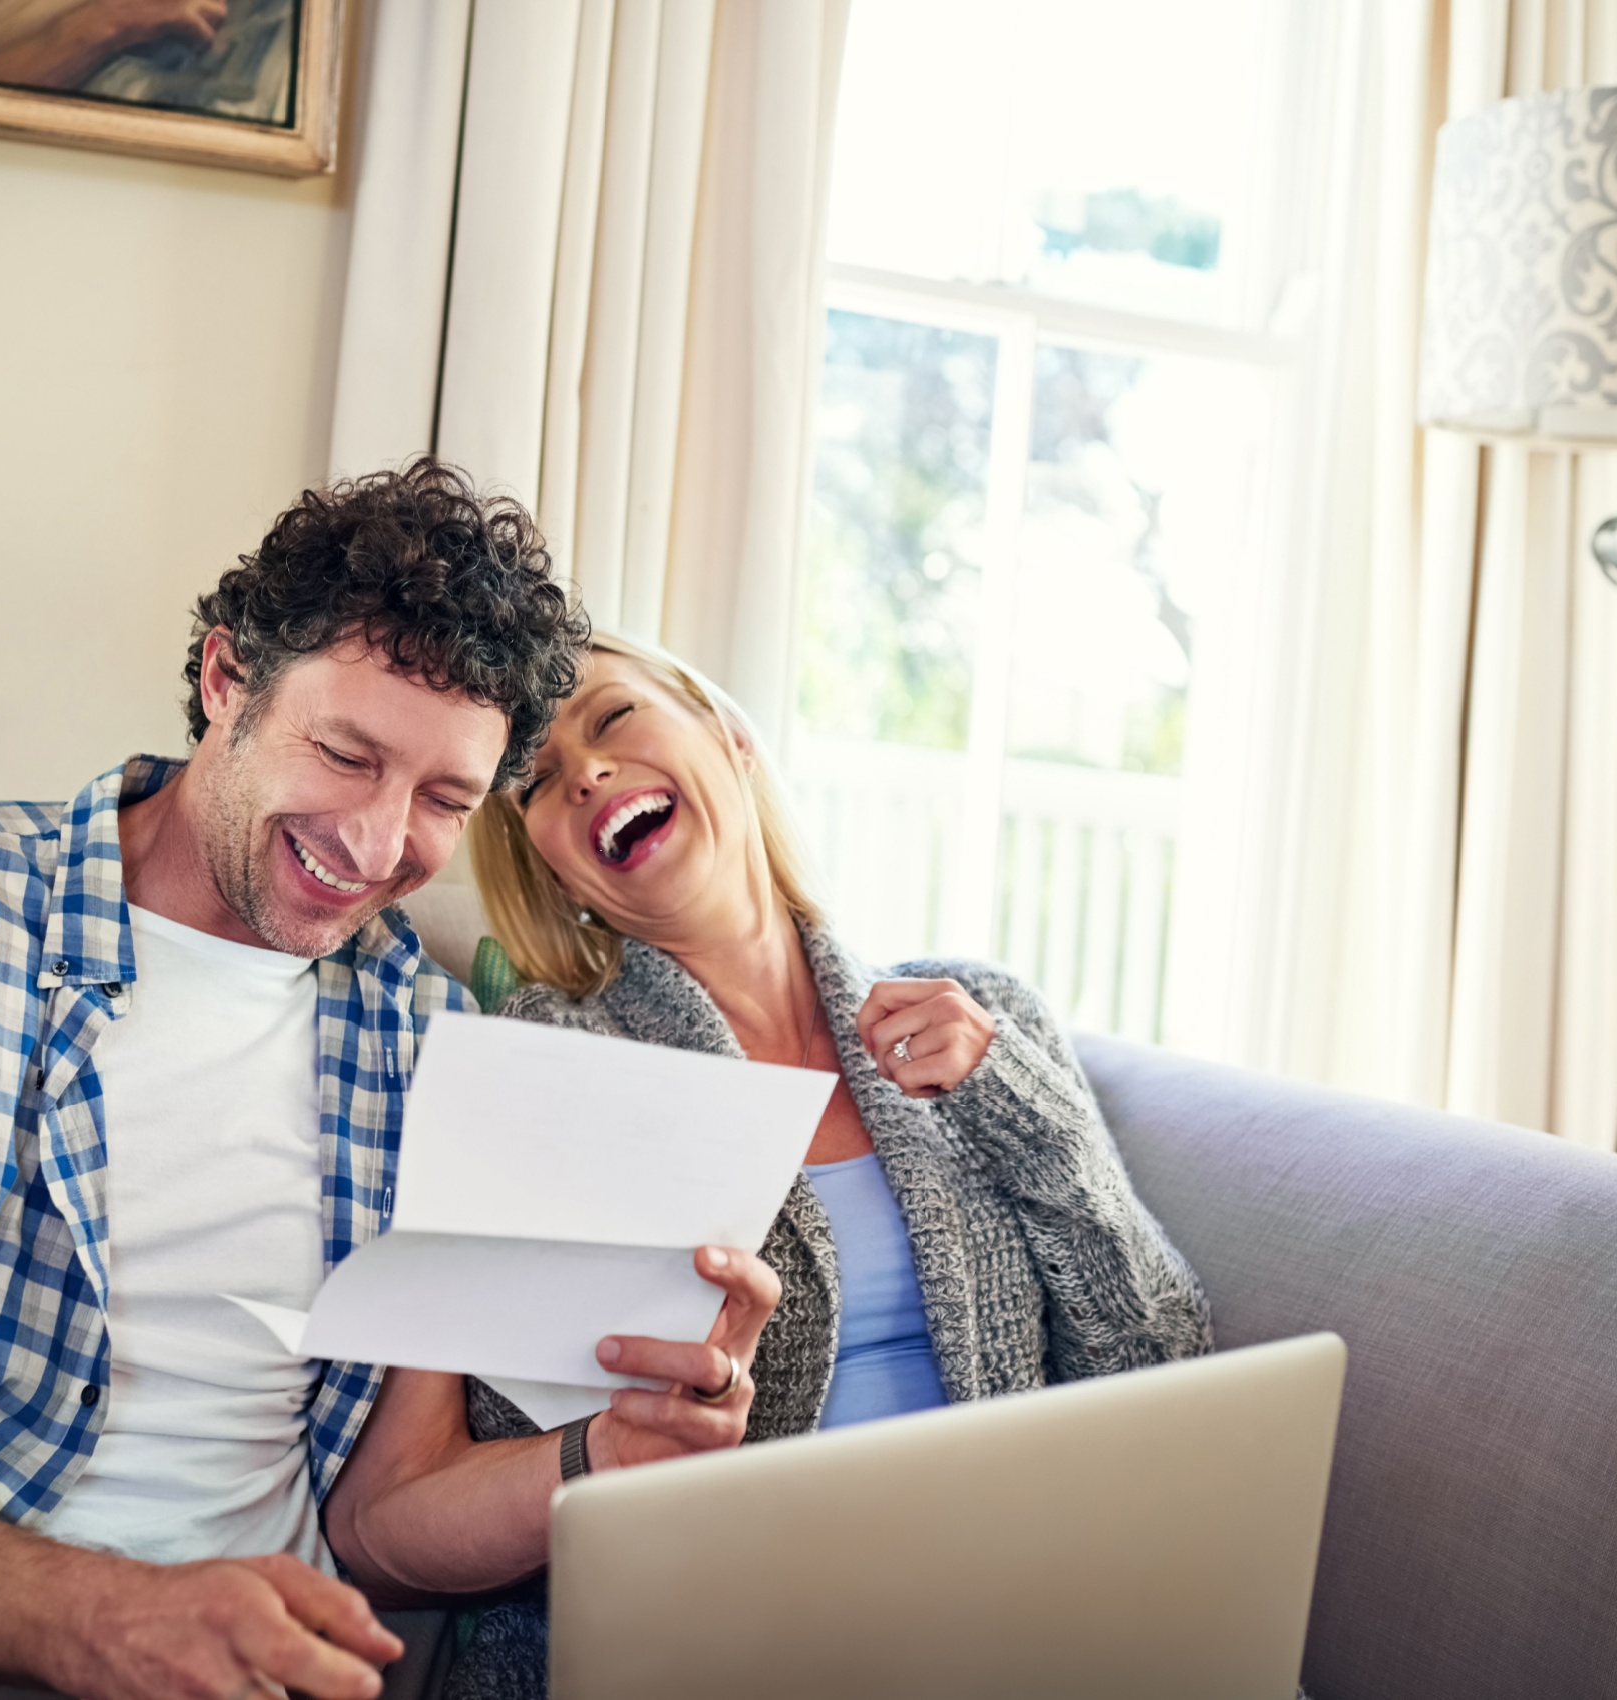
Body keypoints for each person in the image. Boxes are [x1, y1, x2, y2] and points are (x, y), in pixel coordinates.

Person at [0, 465, 783, 1700]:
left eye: (443, 799)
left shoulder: (425, 1032)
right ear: (228, 678)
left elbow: (379, 1521)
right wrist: (107, 1618)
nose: (378, 844)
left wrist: (601, 1457)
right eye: (345, 753)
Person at [327, 630, 1215, 1699]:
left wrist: (1022, 1110)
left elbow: (1163, 1372)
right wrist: (617, 1439)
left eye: (614, 718)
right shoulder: (547, 1068)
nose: (588, 772)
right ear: (553, 865)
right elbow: (424, 1502)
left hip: (1009, 1623)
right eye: (540, 781)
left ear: (730, 735)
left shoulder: (985, 1017)